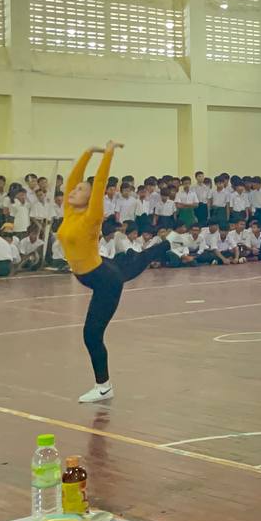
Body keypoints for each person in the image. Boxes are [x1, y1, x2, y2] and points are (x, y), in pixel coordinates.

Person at [56, 142, 170, 403]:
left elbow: (98, 185)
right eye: (75, 189)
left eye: (81, 190)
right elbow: (73, 180)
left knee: (91, 335)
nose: (73, 191)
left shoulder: (92, 216)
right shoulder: (69, 211)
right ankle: (162, 247)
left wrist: (107, 154)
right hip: (100, 268)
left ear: (90, 198)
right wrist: (87, 153)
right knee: (131, 263)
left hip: (104, 280)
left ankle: (104, 387)